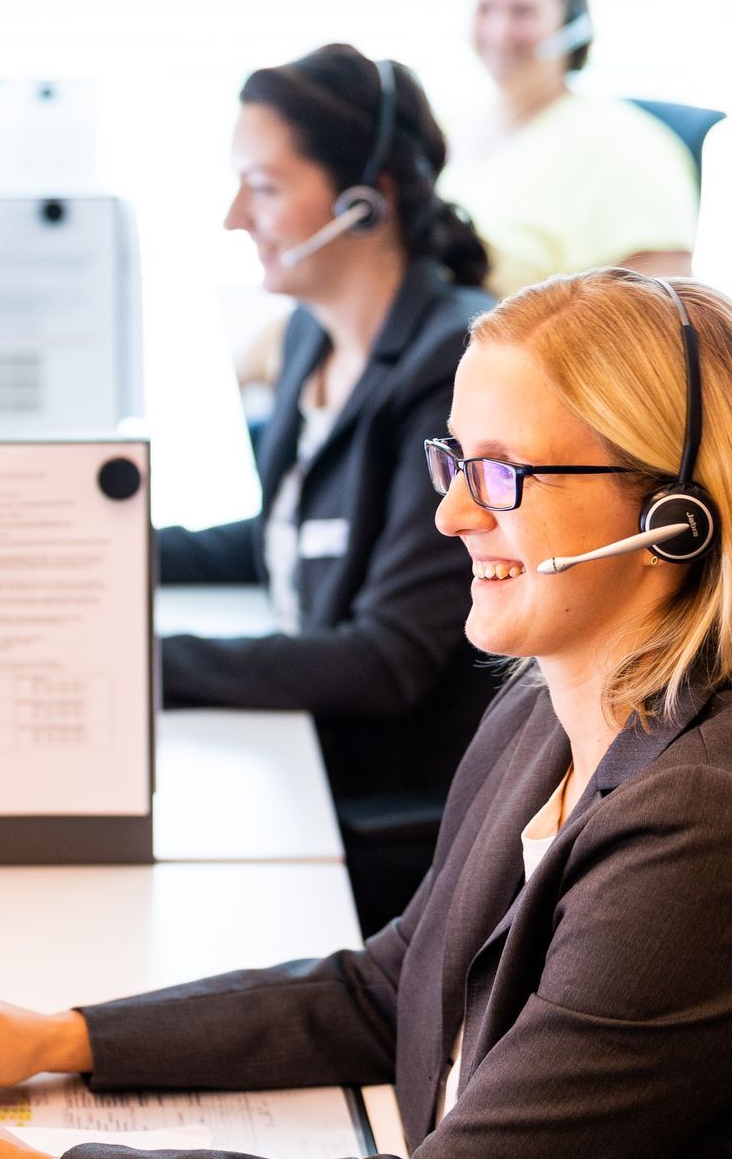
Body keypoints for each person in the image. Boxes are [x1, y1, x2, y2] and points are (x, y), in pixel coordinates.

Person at [0, 270, 732, 1157]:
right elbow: (389, 987)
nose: (451, 510)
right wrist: (62, 1033)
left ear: (672, 515)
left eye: (502, 473)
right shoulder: (549, 713)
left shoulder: (710, 832)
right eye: (455, 458)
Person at [160, 45, 499, 913]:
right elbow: (283, 536)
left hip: (387, 806)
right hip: (305, 757)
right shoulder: (312, 337)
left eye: (264, 187)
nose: (236, 216)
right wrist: (110, 554)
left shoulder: (449, 372)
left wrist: (143, 665)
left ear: (364, 200)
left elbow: (388, 660)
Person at [440, 0, 701, 299]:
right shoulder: (447, 129)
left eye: (523, 11)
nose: (499, 31)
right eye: (485, 9)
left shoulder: (628, 146)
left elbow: (659, 322)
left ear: (571, 20)